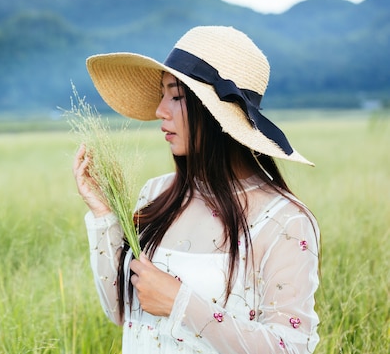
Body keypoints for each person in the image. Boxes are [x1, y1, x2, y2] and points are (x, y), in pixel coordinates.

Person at [72, 26, 321, 353]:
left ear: (215, 113)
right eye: (163, 95)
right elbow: (121, 312)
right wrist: (103, 214)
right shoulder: (156, 194)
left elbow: (290, 347)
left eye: (176, 96)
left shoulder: (284, 221)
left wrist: (180, 303)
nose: (161, 110)